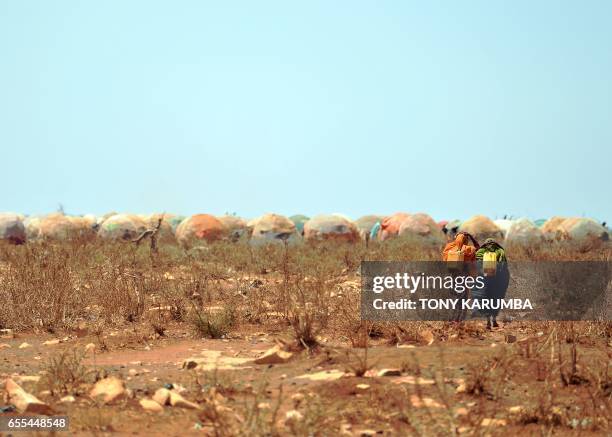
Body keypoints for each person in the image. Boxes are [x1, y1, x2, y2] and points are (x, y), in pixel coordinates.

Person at [442, 232, 480, 321]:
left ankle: (450, 318)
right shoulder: (469, 249)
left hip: (451, 276)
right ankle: (459, 320)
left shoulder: (448, 247)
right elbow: (478, 248)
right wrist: (472, 237)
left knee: (453, 297)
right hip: (463, 277)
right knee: (463, 299)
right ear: (466, 240)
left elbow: (444, 260)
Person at [474, 238, 510, 329]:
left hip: (485, 280)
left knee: (485, 299)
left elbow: (476, 266)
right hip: (497, 280)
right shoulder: (500, 251)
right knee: (496, 298)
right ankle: (494, 320)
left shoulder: (481, 251)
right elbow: (504, 266)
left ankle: (488, 321)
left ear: (485, 244)